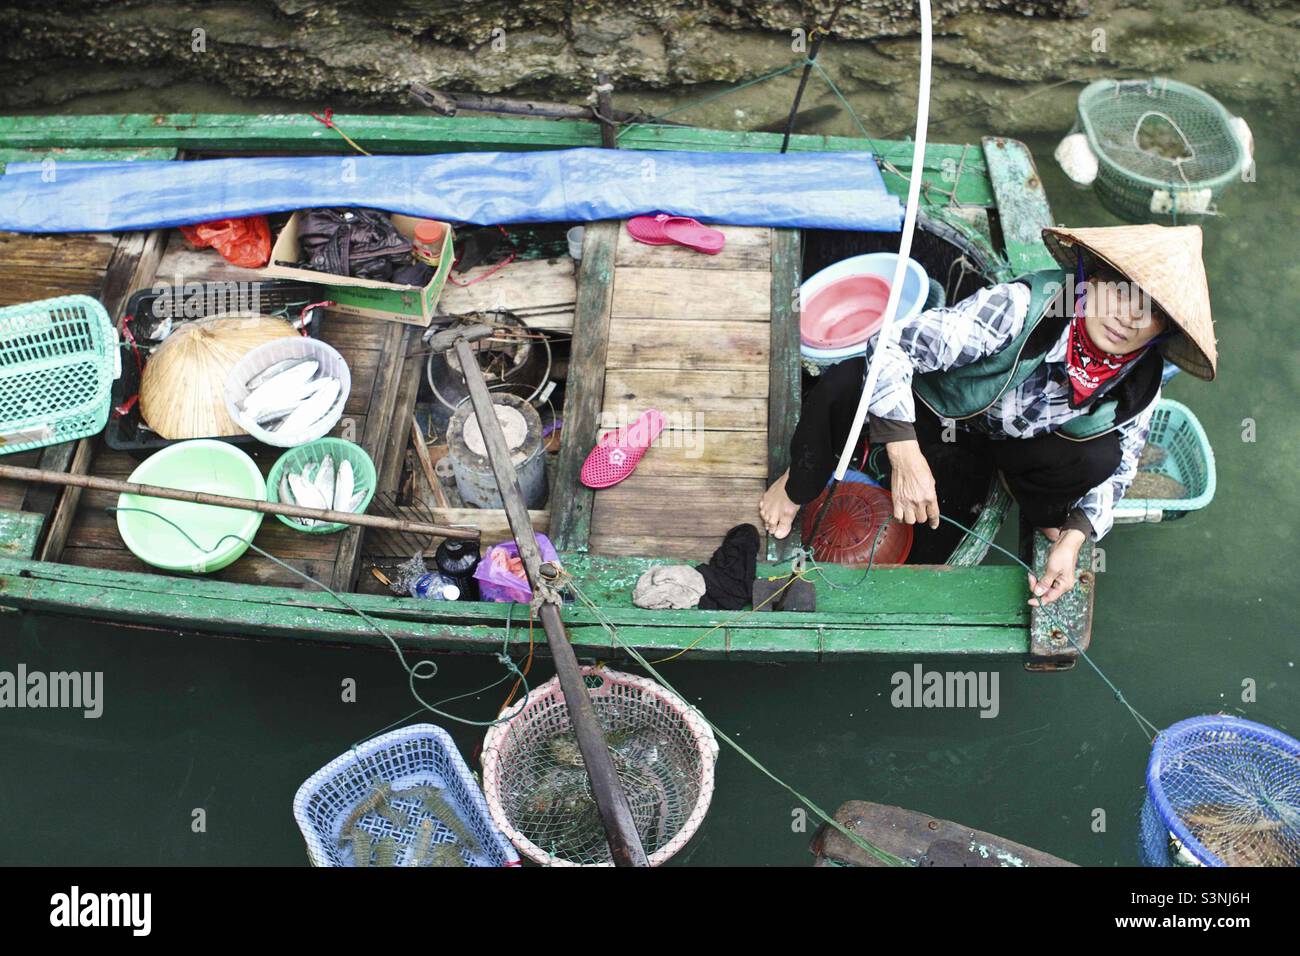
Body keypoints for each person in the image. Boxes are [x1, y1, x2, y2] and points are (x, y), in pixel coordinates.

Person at [759, 224, 1217, 606]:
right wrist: (903, 451)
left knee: (1100, 457)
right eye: (1121, 292)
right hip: (943, 406)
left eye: (1151, 312)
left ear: (1161, 332)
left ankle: (1042, 512)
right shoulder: (1022, 308)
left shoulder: (1141, 378)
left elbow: (1122, 471)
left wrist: (1076, 539)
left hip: (1016, 446)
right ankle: (799, 482)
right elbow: (891, 345)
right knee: (843, 384)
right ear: (1090, 278)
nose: (1128, 319)